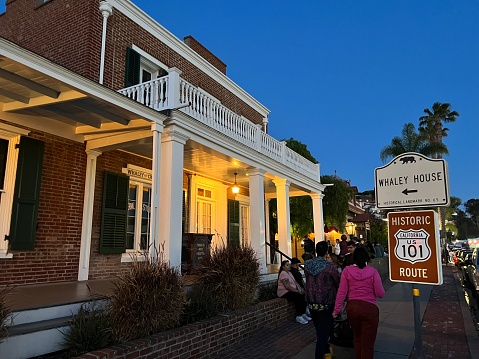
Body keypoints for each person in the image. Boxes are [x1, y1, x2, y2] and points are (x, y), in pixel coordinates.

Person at [333, 247, 385, 359]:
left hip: (353, 308)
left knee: (357, 338)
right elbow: (380, 293)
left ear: (354, 258)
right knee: (368, 344)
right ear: (367, 258)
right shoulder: (373, 272)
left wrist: (336, 310)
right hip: (369, 308)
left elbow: (341, 292)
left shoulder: (347, 271)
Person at [304, 241, 341, 359]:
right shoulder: (330, 267)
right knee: (323, 334)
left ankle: (326, 351)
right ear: (326, 252)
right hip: (326, 302)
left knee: (320, 331)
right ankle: (321, 355)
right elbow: (337, 282)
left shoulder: (307, 264)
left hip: (311, 301)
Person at [277, 260, 311, 324]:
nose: (289, 266)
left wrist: (300, 290)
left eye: (289, 264)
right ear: (283, 267)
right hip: (284, 292)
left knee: (303, 295)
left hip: (291, 290)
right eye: (287, 265)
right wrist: (297, 291)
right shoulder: (283, 273)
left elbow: (295, 283)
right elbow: (287, 286)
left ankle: (303, 313)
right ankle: (298, 316)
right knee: (298, 297)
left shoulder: (289, 273)